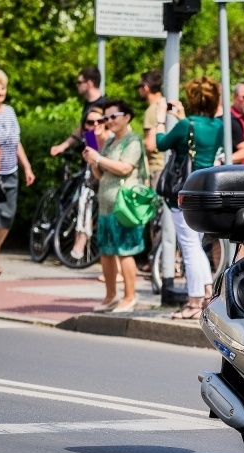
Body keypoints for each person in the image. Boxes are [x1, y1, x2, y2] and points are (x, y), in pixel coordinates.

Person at [151, 76, 224, 319]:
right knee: (197, 245)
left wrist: (161, 117)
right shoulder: (217, 126)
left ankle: (193, 303)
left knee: (189, 246)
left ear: (193, 99)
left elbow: (160, 143)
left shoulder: (186, 125)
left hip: (183, 191)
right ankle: (205, 293)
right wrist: (182, 118)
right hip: (205, 190)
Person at [81, 99, 146, 313]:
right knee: (107, 251)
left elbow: (125, 167)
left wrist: (99, 158)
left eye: (112, 117)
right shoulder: (109, 142)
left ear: (126, 117)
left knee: (125, 251)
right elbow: (101, 174)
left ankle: (130, 296)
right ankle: (110, 296)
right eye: (105, 117)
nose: (108, 121)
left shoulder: (133, 141)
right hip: (107, 204)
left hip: (124, 205)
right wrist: (93, 161)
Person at [138, 70, 183, 306]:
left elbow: (150, 143)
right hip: (174, 169)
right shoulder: (170, 103)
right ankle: (168, 261)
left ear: (146, 88)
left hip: (158, 169)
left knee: (158, 219)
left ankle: (160, 261)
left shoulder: (151, 110)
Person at [0, 68, 36, 277]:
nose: (1, 93)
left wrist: (26, 166)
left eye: (3, 89)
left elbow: (16, 142)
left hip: (11, 170)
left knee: (8, 215)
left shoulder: (9, 111)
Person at [68, 106, 111, 262]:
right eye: (90, 122)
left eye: (100, 121)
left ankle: (82, 243)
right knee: (84, 197)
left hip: (112, 177)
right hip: (96, 176)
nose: (95, 125)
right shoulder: (90, 137)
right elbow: (94, 170)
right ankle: (80, 240)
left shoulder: (111, 138)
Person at [51, 66, 106, 157]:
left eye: (79, 82)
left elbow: (93, 135)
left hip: (101, 156)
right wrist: (63, 146)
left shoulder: (103, 105)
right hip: (91, 154)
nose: (77, 85)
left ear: (89, 84)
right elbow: (83, 129)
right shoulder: (88, 104)